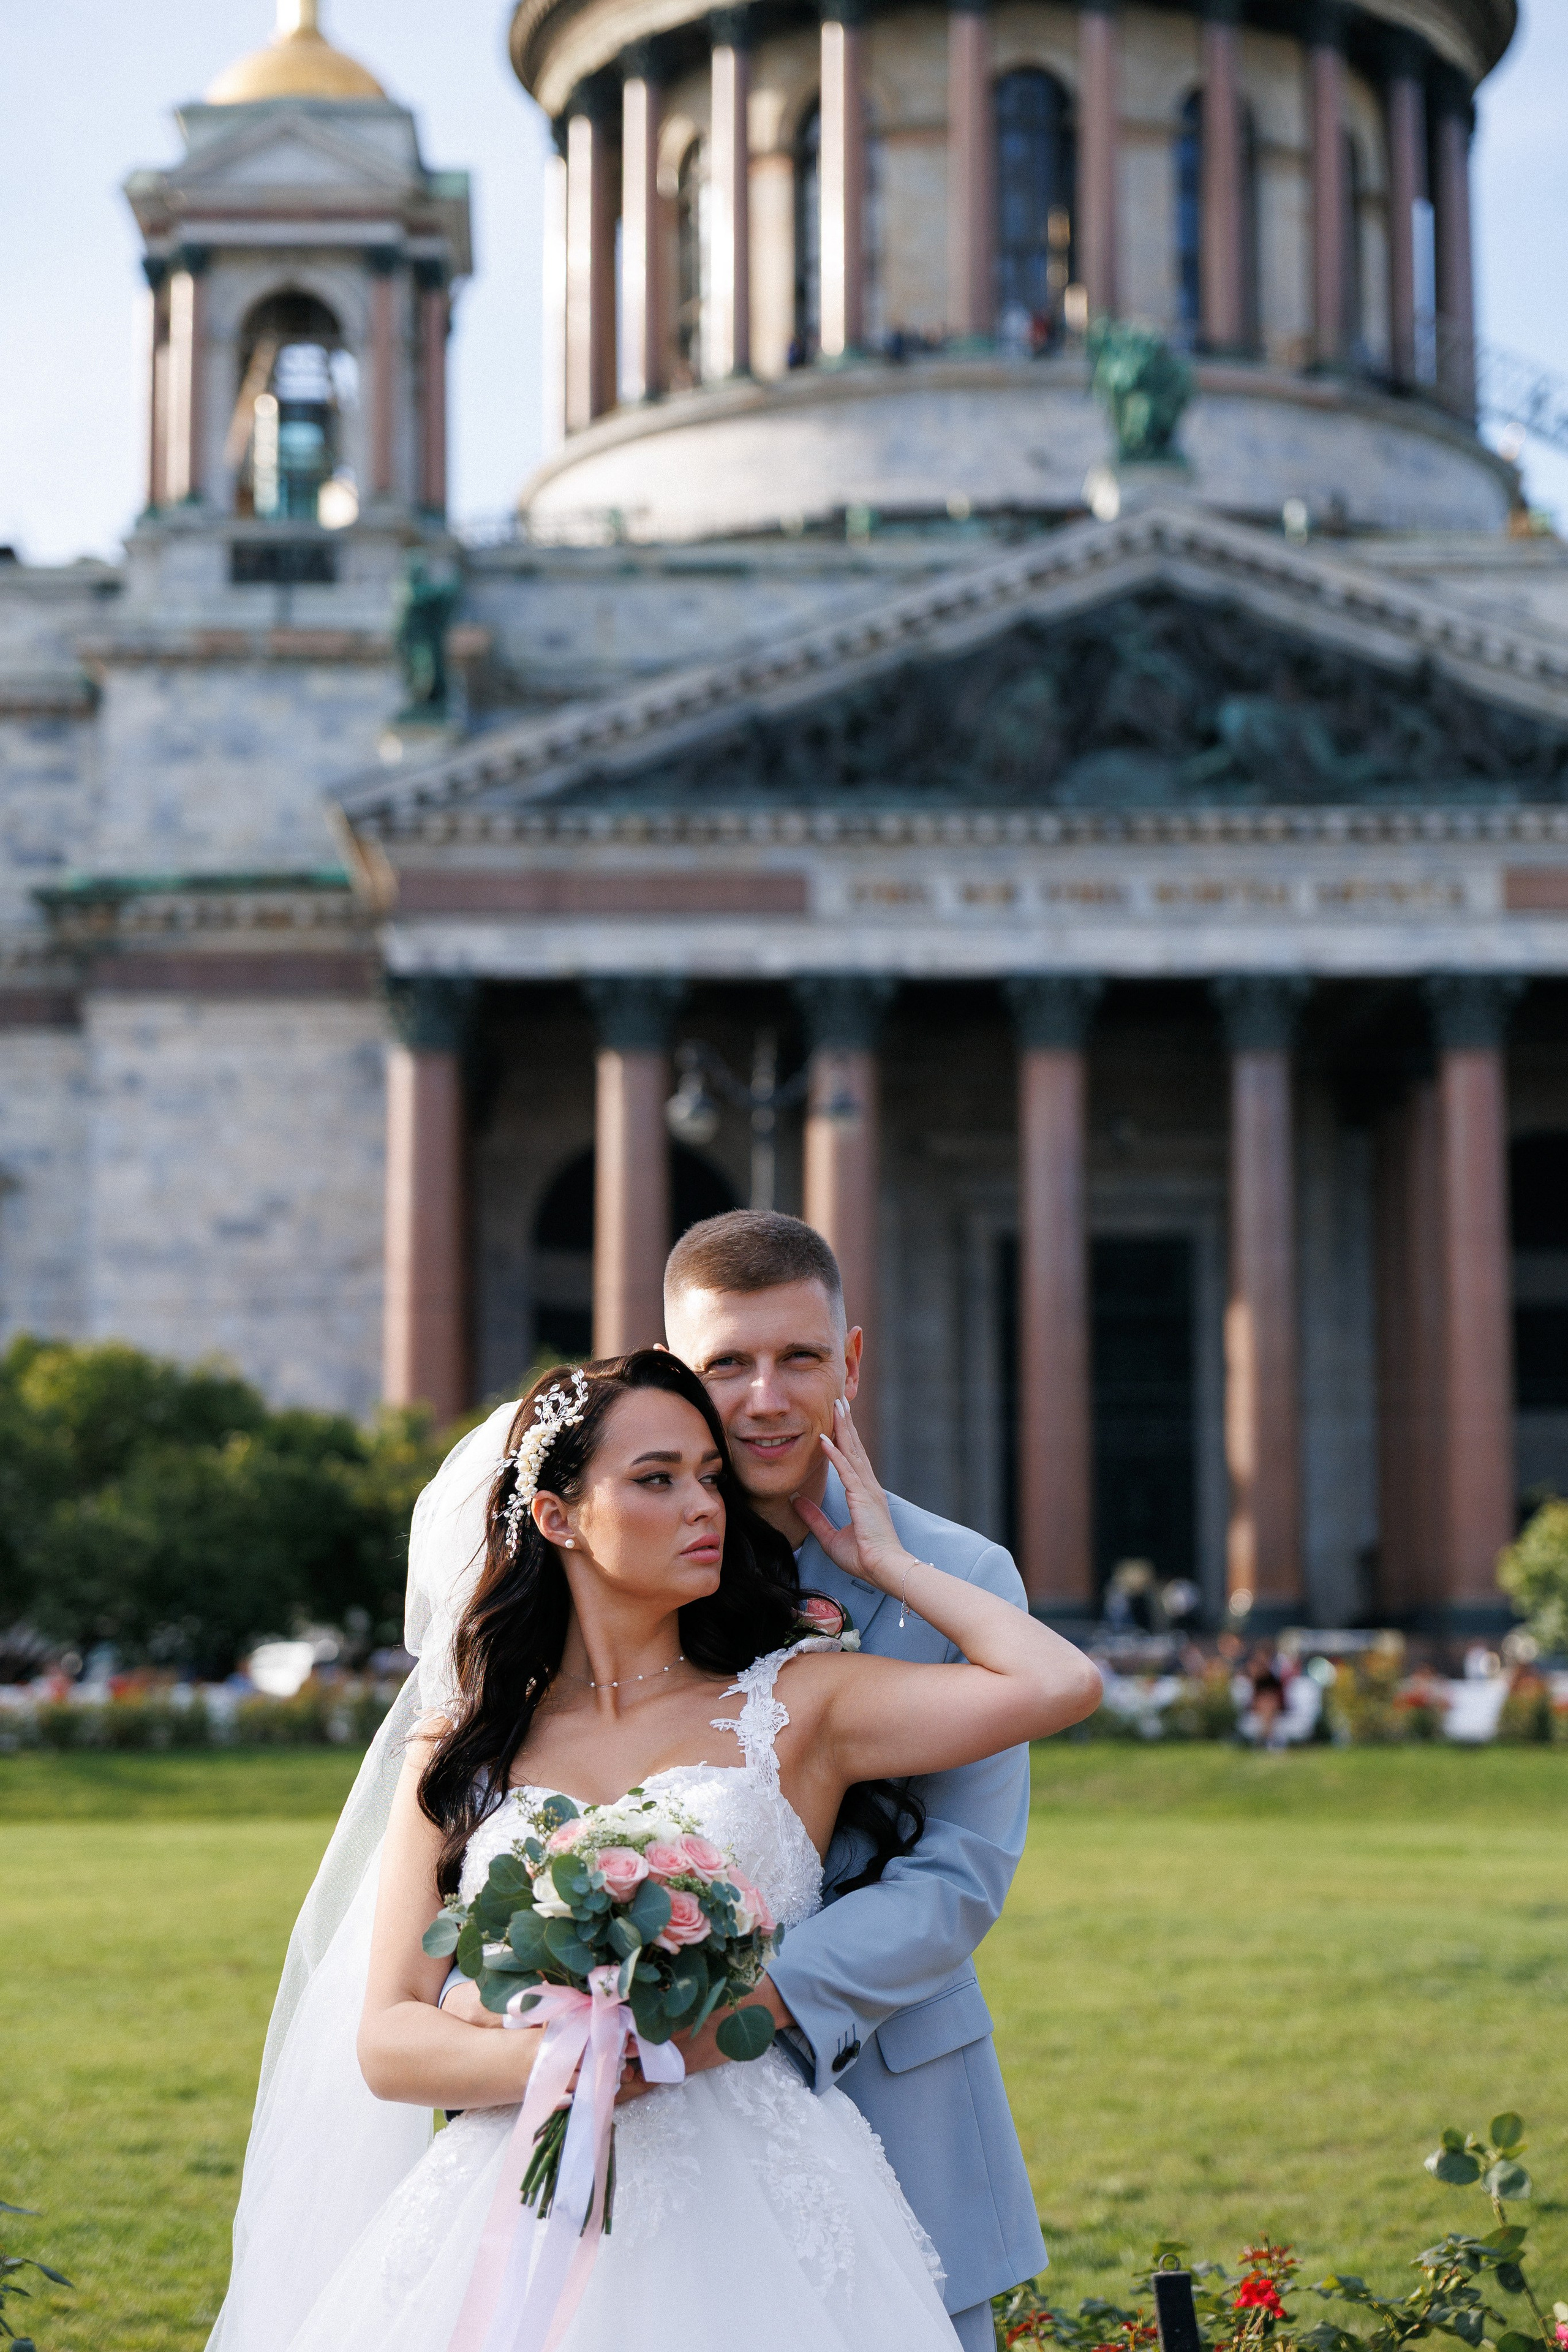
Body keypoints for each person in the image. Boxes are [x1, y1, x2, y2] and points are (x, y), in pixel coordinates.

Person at [210, 1346, 1099, 2352]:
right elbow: (388, 2039)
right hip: (514, 2202)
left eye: (709, 1477)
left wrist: (884, 1563)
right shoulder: (465, 1747)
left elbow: (1059, 1684)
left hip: (759, 2216)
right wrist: (566, 2057)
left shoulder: (798, 1705)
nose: (704, 1506)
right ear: (558, 1517)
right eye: (657, 1479)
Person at [658, 1210, 1055, 2351]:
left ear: (853, 1362)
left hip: (896, 2101)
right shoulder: (627, 1578)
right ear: (671, 1372)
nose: (765, 1399)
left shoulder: (964, 1576)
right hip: (664, 2109)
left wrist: (740, 2011)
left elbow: (961, 1874)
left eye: (801, 1357)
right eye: (725, 1364)